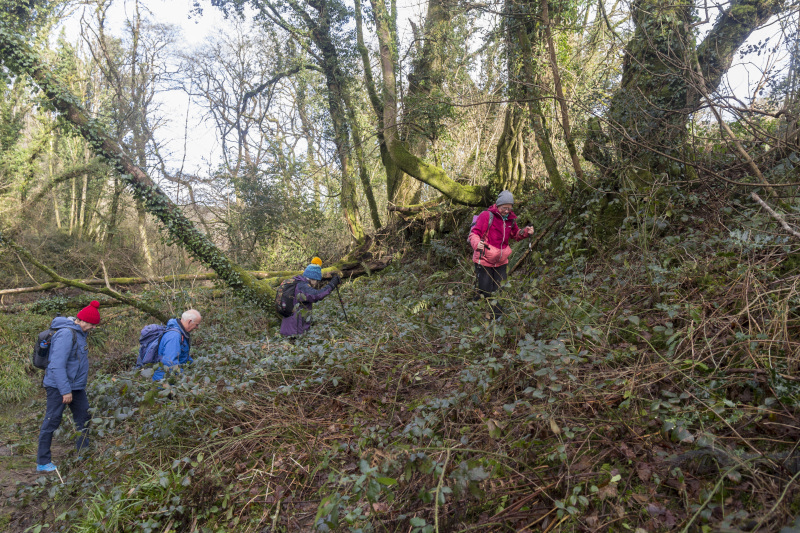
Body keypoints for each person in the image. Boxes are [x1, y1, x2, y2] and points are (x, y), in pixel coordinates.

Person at [36, 300, 100, 472]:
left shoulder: (81, 334)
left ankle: (83, 452)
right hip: (59, 386)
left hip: (76, 386)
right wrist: (65, 391)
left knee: (84, 416)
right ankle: (43, 462)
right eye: (93, 325)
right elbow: (57, 365)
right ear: (84, 321)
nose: (93, 328)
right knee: (52, 420)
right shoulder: (66, 334)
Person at [467, 190, 534, 318]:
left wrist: (526, 232)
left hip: (501, 261)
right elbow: (474, 233)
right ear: (498, 205)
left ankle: (496, 319)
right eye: (504, 208)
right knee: (485, 290)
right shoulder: (487, 216)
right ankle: (474, 311)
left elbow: (516, 234)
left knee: (499, 290)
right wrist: (476, 244)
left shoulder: (510, 220)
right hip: (484, 259)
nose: (507, 211)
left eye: (509, 208)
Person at [280, 260, 341, 337]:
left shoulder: (297, 282)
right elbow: (317, 295)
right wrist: (332, 285)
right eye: (317, 280)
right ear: (313, 279)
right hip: (295, 331)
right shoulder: (303, 287)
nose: (316, 283)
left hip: (288, 328)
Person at [152, 309, 202, 382]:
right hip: (164, 381)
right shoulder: (174, 336)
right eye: (196, 324)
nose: (197, 327)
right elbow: (169, 362)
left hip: (170, 379)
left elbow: (183, 355)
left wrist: (195, 365)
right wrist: (185, 378)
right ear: (189, 321)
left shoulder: (182, 333)